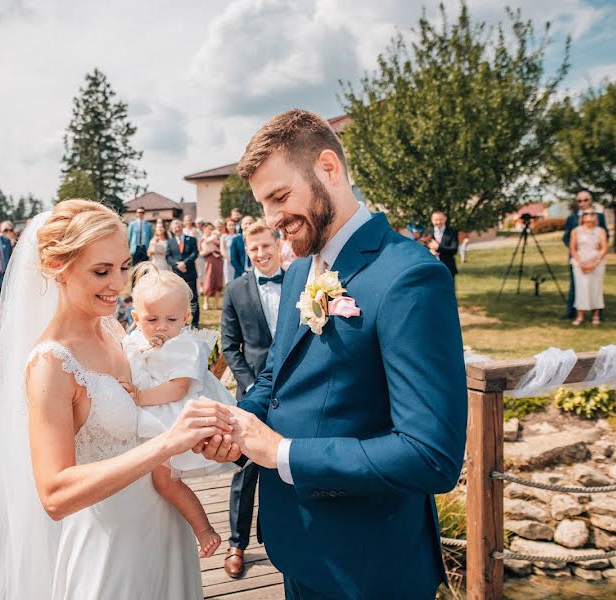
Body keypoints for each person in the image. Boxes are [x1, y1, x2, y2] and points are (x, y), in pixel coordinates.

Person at [199, 109, 467, 598]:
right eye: (264, 205)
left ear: (329, 168)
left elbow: (431, 455)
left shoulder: (410, 276)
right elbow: (278, 376)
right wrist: (235, 425)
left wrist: (281, 453)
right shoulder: (301, 271)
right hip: (295, 546)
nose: (272, 220)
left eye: (280, 197)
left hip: (367, 566)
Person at [0, 200, 232, 599]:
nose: (119, 284)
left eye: (124, 266)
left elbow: (149, 407)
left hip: (164, 523)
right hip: (111, 544)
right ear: (57, 269)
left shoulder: (114, 330)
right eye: (101, 271)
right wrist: (168, 442)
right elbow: (55, 494)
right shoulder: (51, 363)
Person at [119, 263, 237, 559]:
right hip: (149, 417)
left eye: (172, 319)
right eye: (152, 319)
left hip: (173, 421)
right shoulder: (133, 341)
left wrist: (140, 397)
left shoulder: (185, 345)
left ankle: (204, 529)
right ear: (135, 318)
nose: (161, 326)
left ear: (186, 317)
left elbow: (179, 388)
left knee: (165, 481)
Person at [219, 221, 284, 579]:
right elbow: (230, 345)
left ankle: (290, 538)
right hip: (253, 393)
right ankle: (236, 542)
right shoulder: (235, 289)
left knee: (290, 465)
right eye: (254, 249)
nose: (261, 254)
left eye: (266, 246)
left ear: (277, 244)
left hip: (294, 392)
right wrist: (252, 384)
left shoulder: (299, 283)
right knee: (246, 472)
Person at [562, 190, 608, 319]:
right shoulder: (571, 218)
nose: (582, 203)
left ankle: (597, 313)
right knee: (575, 285)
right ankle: (572, 312)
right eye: (579, 201)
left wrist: (596, 256)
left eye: (585, 200)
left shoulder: (600, 216)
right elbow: (566, 237)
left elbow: (605, 237)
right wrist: (576, 251)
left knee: (596, 285)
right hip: (577, 257)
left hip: (595, 257)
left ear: (591, 200)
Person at [569, 209, 608, 326]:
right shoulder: (576, 231)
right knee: (581, 289)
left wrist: (595, 263)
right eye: (586, 214)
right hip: (580, 263)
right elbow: (573, 248)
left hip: (597, 263)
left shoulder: (600, 231)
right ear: (582, 217)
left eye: (592, 213)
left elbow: (604, 248)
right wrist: (580, 263)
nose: (589, 216)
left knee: (595, 288)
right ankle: (580, 315)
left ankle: (596, 315)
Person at [165, 219, 200, 327]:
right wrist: (177, 265)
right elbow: (168, 256)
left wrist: (185, 263)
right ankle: (182, 321)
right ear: (172, 229)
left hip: (189, 272)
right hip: (177, 274)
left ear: (182, 227)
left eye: (179, 225)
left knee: (193, 298)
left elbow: (195, 253)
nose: (177, 227)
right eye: (174, 226)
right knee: (179, 298)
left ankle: (194, 322)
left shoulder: (192, 239)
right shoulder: (170, 242)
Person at [423, 210, 459, 278]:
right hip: (430, 267)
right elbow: (422, 247)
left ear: (445, 219)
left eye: (441, 219)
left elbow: (454, 250)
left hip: (448, 268)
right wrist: (430, 252)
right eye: (436, 220)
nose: (438, 222)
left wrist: (439, 248)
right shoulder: (427, 231)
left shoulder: (452, 232)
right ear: (432, 220)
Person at [199, 221, 224, 310]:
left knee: (218, 280)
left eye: (211, 229)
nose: (210, 230)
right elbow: (200, 252)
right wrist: (208, 251)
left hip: (218, 260)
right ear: (204, 229)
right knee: (209, 280)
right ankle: (206, 302)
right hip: (208, 261)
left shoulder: (216, 237)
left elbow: (221, 247)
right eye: (208, 229)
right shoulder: (202, 239)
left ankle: (217, 304)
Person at [221, 219, 238, 284]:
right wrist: (229, 259)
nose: (231, 227)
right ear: (226, 226)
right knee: (229, 280)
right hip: (228, 261)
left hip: (238, 261)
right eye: (229, 225)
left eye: (233, 225)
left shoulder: (238, 236)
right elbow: (222, 250)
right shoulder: (224, 237)